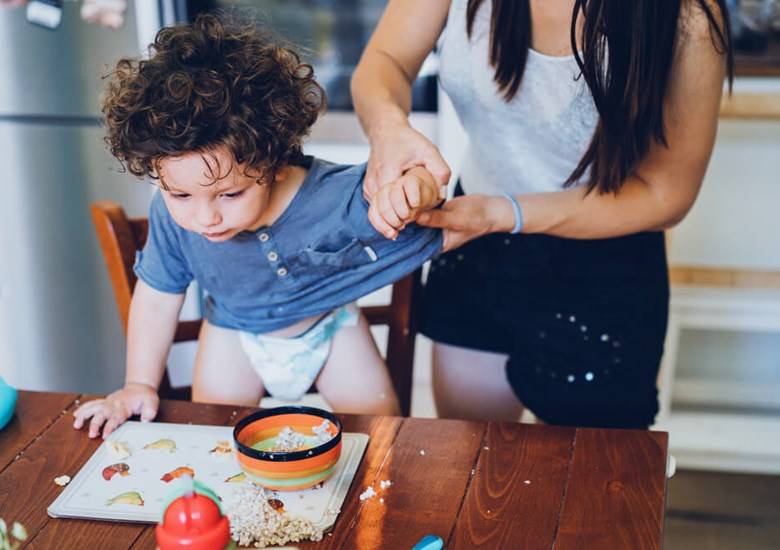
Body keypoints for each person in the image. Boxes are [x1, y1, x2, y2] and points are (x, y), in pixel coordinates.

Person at [352, 0, 734, 428]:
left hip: (603, 264)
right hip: (476, 240)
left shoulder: (686, 17)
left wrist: (505, 213)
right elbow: (385, 62)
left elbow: (667, 193)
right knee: (472, 465)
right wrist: (388, 128)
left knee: (593, 483)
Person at [73, 13, 443, 438]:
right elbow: (157, 297)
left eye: (230, 195)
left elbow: (413, 189)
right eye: (181, 196)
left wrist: (415, 187)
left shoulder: (332, 195)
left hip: (328, 328)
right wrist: (138, 384)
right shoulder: (171, 217)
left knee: (382, 436)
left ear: (277, 162)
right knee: (212, 438)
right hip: (233, 334)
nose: (205, 217)